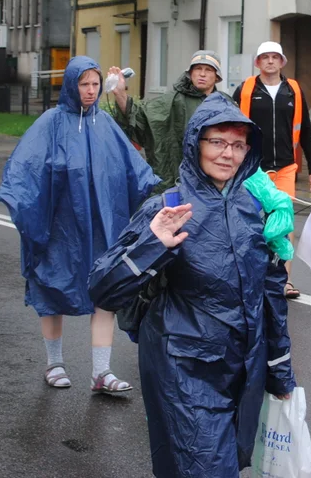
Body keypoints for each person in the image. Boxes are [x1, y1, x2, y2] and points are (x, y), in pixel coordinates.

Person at [89, 93, 295, 478]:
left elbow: (270, 295)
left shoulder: (255, 207)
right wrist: (154, 245)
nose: (227, 154)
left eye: (237, 145)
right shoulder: (167, 208)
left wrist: (280, 370)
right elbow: (102, 289)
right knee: (208, 469)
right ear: (195, 143)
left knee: (224, 462)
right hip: (184, 368)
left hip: (242, 368)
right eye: (217, 142)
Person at [0, 56, 158, 394]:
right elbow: (24, 171)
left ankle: (101, 372)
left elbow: (132, 170)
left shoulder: (105, 125)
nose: (89, 91)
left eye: (95, 84)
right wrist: (32, 216)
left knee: (105, 293)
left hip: (102, 228)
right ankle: (54, 363)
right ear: (71, 85)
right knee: (52, 289)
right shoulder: (51, 123)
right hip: (59, 231)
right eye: (83, 84)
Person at [233, 40, 311, 299]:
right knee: (248, 223)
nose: (270, 61)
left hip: (284, 168)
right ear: (257, 62)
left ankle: (284, 280)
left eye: (275, 57)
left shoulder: (293, 90)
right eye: (265, 57)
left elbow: (305, 130)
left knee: (284, 224)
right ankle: (249, 276)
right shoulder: (245, 89)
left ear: (282, 62)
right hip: (251, 168)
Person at [102, 50, 229, 195]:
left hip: (215, 184)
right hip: (178, 183)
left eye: (208, 70)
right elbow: (140, 117)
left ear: (217, 77)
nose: (202, 74)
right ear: (190, 73)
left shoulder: (225, 104)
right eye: (198, 69)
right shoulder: (172, 101)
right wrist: (120, 94)